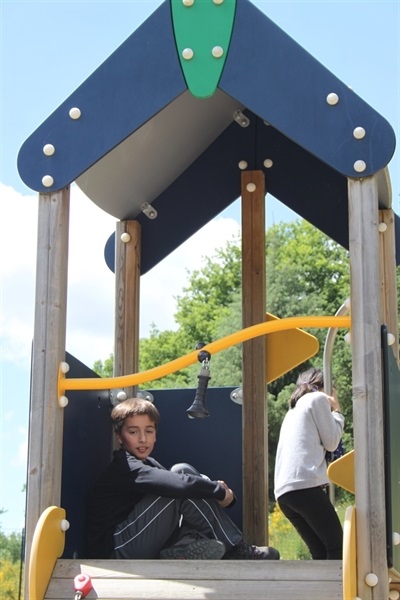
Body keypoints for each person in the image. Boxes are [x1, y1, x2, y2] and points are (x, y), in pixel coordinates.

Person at [86, 397, 280, 561]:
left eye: (149, 431)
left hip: (139, 539)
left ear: (156, 435)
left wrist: (212, 490)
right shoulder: (125, 466)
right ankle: (234, 548)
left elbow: (188, 484)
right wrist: (219, 491)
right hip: (116, 550)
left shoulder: (148, 463)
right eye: (133, 432)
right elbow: (179, 485)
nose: (143, 439)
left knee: (182, 471)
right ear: (120, 437)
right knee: (178, 486)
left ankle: (182, 547)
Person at [274, 367, 344, 559]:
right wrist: (337, 412)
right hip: (305, 485)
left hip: (285, 492)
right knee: (337, 547)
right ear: (327, 388)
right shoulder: (318, 399)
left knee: (320, 552)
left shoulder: (293, 409)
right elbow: (332, 442)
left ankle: (323, 581)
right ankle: (337, 581)